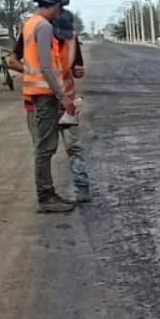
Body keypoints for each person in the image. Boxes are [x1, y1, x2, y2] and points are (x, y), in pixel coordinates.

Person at [19, 0, 78, 213]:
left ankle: (48, 194)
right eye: (59, 9)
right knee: (46, 147)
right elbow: (45, 66)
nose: (59, 13)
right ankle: (46, 196)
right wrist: (63, 96)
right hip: (45, 94)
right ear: (53, 7)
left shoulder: (30, 23)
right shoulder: (43, 27)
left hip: (36, 92)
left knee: (44, 146)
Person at [52, 10, 92, 202]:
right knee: (47, 151)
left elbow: (77, 69)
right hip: (48, 103)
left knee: (72, 148)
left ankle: (81, 188)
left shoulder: (71, 41)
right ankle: (48, 193)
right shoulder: (42, 40)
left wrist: (77, 72)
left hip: (65, 104)